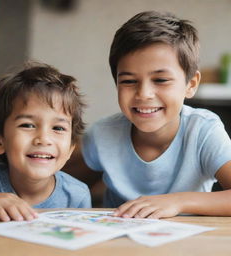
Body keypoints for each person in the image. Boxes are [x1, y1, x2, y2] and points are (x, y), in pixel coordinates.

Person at [66, 11, 231, 218]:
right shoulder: (103, 134)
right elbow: (58, 185)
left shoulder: (203, 130)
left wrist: (178, 202)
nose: (143, 94)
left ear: (191, 84)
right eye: (128, 81)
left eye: (161, 80)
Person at [0, 62, 91, 222]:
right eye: (27, 125)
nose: (43, 138)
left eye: (58, 128)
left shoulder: (77, 196)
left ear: (70, 149)